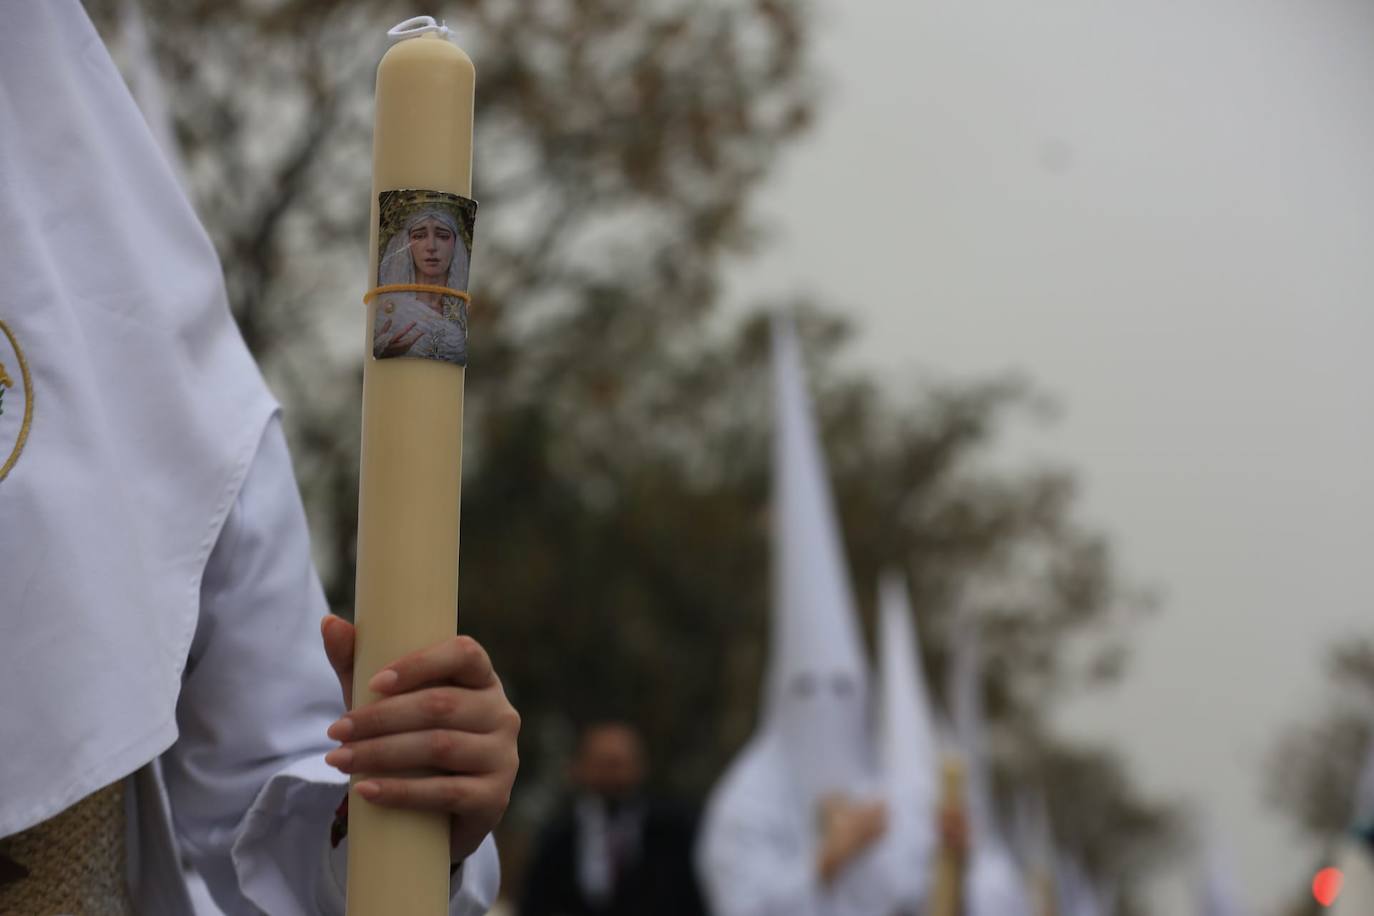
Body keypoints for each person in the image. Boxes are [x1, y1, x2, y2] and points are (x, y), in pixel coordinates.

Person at [0, 3, 516, 913]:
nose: (431, 247)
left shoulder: (154, 354)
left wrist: (403, 802)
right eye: (421, 237)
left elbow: (267, 796)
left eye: (439, 239)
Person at [695, 319, 902, 916]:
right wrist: (831, 854)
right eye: (809, 688)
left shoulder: (881, 793)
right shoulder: (745, 801)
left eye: (842, 689)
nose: (826, 705)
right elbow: (739, 903)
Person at [519, 721, 705, 916]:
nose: (612, 774)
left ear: (640, 766)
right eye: (603, 764)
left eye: (619, 764)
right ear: (580, 767)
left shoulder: (673, 831)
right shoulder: (557, 838)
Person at [373, 208, 471, 363]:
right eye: (419, 236)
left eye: (443, 236)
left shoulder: (466, 314)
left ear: (456, 245)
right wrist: (382, 349)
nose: (431, 246)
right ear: (406, 243)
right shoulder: (385, 312)